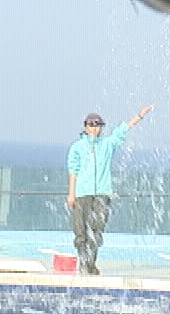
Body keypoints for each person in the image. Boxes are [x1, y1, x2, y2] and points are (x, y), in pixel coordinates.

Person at [66, 104, 155, 274]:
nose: (94, 128)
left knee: (97, 229)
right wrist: (72, 194)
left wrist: (140, 115)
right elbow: (73, 170)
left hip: (102, 193)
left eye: (97, 125)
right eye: (91, 125)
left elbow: (122, 131)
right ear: (85, 127)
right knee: (81, 231)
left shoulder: (107, 144)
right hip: (82, 194)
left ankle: (90, 263)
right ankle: (83, 262)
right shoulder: (77, 147)